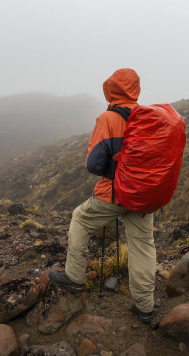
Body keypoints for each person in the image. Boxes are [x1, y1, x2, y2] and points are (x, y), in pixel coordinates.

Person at [49, 68, 156, 324]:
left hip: (115, 194)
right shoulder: (147, 117)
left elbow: (94, 165)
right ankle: (145, 307)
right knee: (142, 246)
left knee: (81, 219)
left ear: (111, 89)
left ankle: (74, 277)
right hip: (144, 195)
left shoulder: (107, 118)